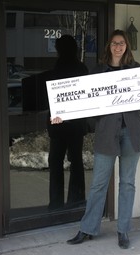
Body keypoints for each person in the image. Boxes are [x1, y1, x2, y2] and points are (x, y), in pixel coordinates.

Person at [54, 29, 140, 248]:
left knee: (127, 183)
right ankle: (87, 229)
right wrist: (63, 113)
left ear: (127, 46)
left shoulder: (137, 70)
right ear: (109, 46)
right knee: (98, 184)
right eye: (114, 43)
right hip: (107, 134)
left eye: (122, 43)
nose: (118, 46)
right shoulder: (97, 72)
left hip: (132, 134)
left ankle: (123, 230)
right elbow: (82, 100)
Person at [47, 35, 89, 210]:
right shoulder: (81, 68)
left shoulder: (58, 68)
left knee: (56, 162)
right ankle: (76, 200)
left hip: (60, 124)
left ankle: (56, 203)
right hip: (75, 125)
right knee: (76, 161)